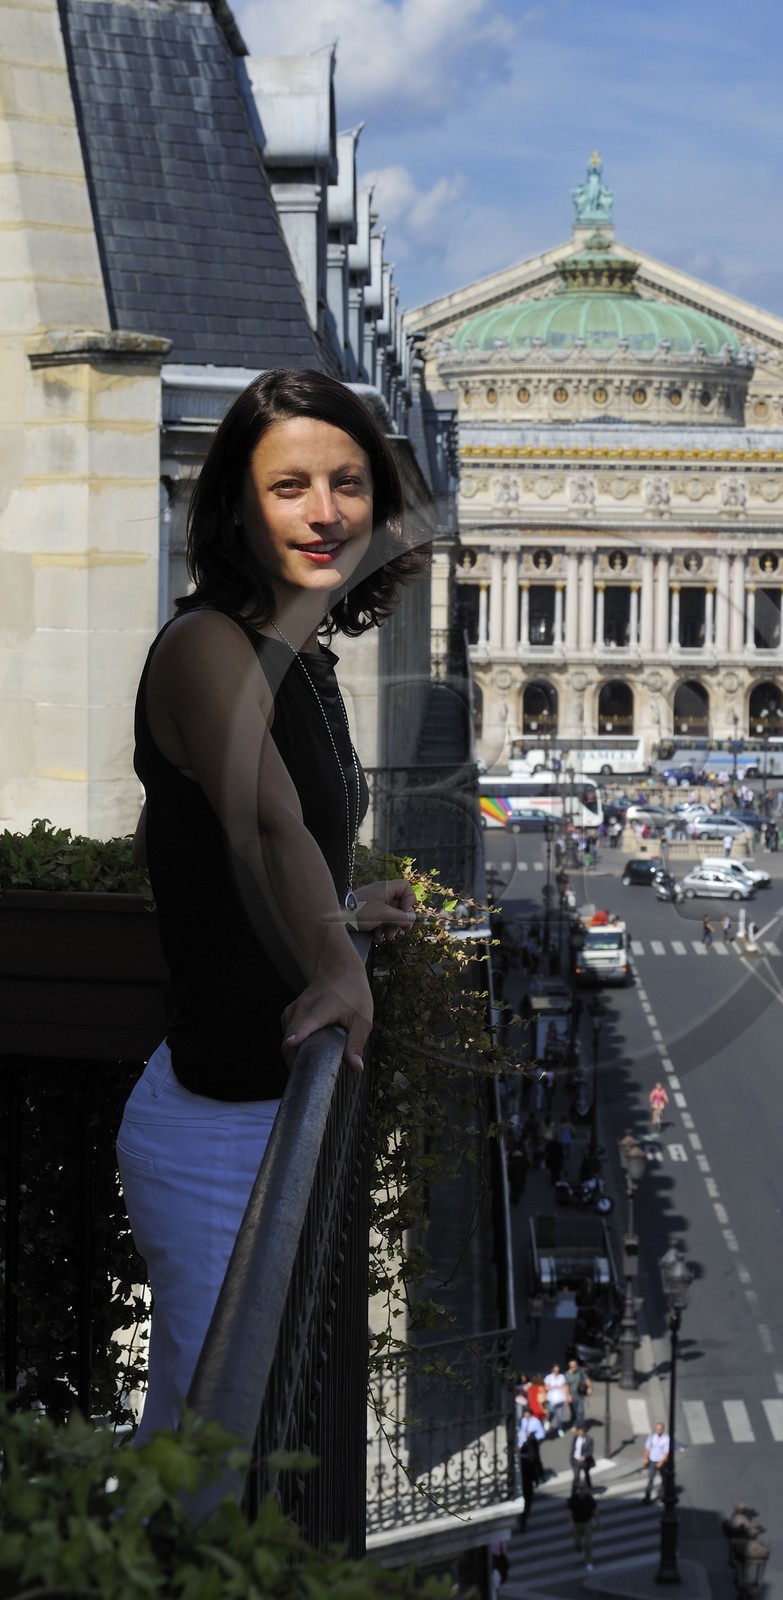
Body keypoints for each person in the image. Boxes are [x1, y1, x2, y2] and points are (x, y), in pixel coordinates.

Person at [115, 369, 421, 1439]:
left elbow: (208, 847)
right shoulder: (207, 645)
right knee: (206, 1461)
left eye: (348, 482)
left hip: (263, 1101)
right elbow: (262, 827)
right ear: (236, 508)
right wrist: (338, 970)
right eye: (289, 484)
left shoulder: (303, 659)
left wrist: (339, 909)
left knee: (229, 1446)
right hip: (216, 1123)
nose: (325, 510)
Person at [567, 1476, 600, 1570]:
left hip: (587, 1523)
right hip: (577, 1523)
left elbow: (594, 1510)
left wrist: (598, 1521)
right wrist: (571, 1522)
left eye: (584, 1488)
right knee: (577, 1543)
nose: (583, 1490)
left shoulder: (589, 1499)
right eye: (581, 1488)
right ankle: (578, 1552)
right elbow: (569, 1511)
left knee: (588, 1544)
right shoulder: (574, 1499)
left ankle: (588, 1561)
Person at [643, 1421, 671, 1502]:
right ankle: (647, 1496)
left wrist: (661, 1462)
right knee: (650, 1479)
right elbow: (647, 1447)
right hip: (652, 1460)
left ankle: (663, 1495)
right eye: (657, 1429)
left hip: (661, 1461)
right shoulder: (652, 1436)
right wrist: (645, 1458)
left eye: (660, 1429)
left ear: (663, 1429)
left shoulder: (666, 1438)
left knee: (663, 1479)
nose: (659, 1430)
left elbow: (666, 1452)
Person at [567, 1358, 591, 1428]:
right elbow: (565, 1386)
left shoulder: (580, 1372)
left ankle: (581, 1426)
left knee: (580, 1411)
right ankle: (574, 1424)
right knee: (573, 1412)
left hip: (579, 1395)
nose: (573, 1368)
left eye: (574, 1366)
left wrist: (589, 1388)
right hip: (571, 1396)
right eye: (571, 1366)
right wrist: (567, 1395)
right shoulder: (567, 1374)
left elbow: (587, 1380)